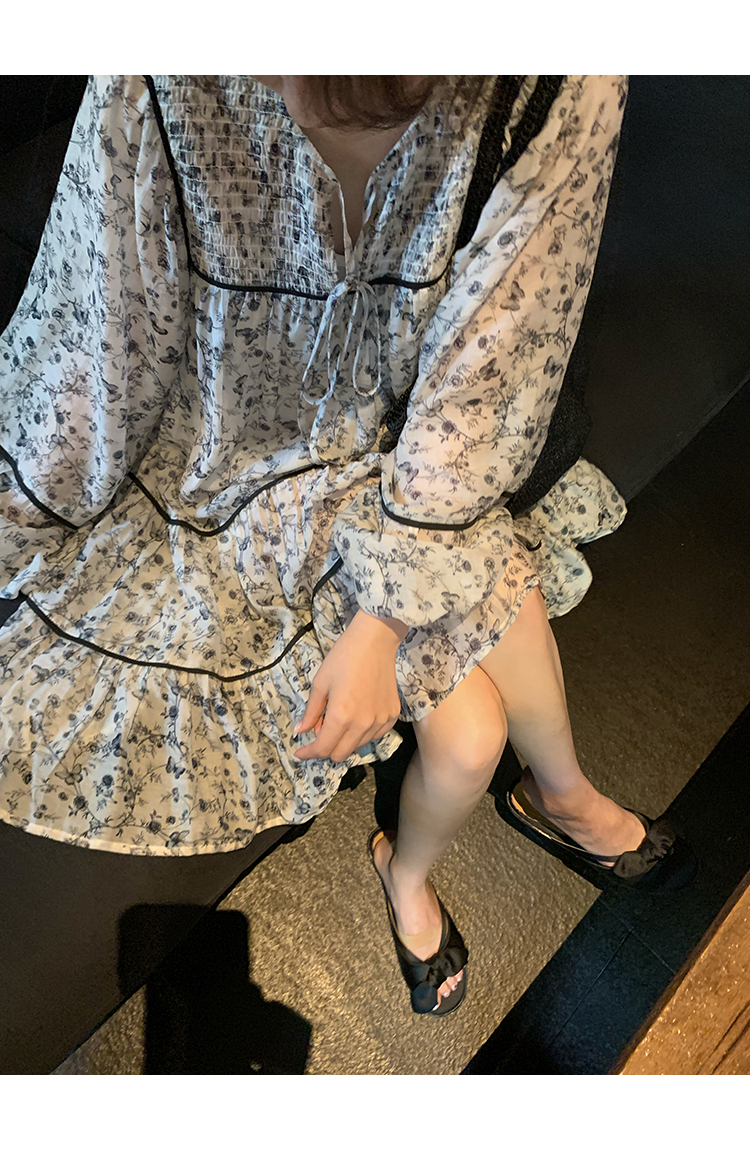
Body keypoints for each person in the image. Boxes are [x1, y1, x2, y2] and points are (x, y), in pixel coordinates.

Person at [0, 74, 678, 1019]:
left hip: (406, 440)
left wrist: (384, 619)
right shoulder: (164, 70)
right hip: (232, 443)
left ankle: (551, 798)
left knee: (486, 639)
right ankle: (414, 868)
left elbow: (489, 374)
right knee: (473, 735)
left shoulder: (559, 79)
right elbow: (96, 328)